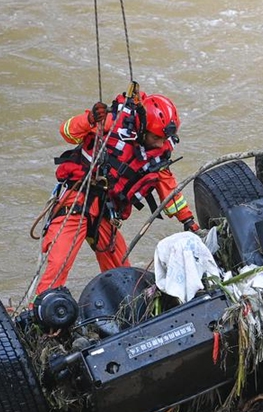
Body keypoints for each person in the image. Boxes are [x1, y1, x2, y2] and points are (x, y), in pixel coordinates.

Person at [35, 86, 199, 297]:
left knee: (122, 271)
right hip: (78, 198)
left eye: (163, 138)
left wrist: (188, 220)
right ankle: (40, 311)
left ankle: (125, 308)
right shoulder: (110, 122)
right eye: (156, 137)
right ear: (142, 128)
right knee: (60, 259)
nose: (160, 143)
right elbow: (67, 132)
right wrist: (90, 120)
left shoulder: (158, 153)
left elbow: (169, 191)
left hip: (107, 211)